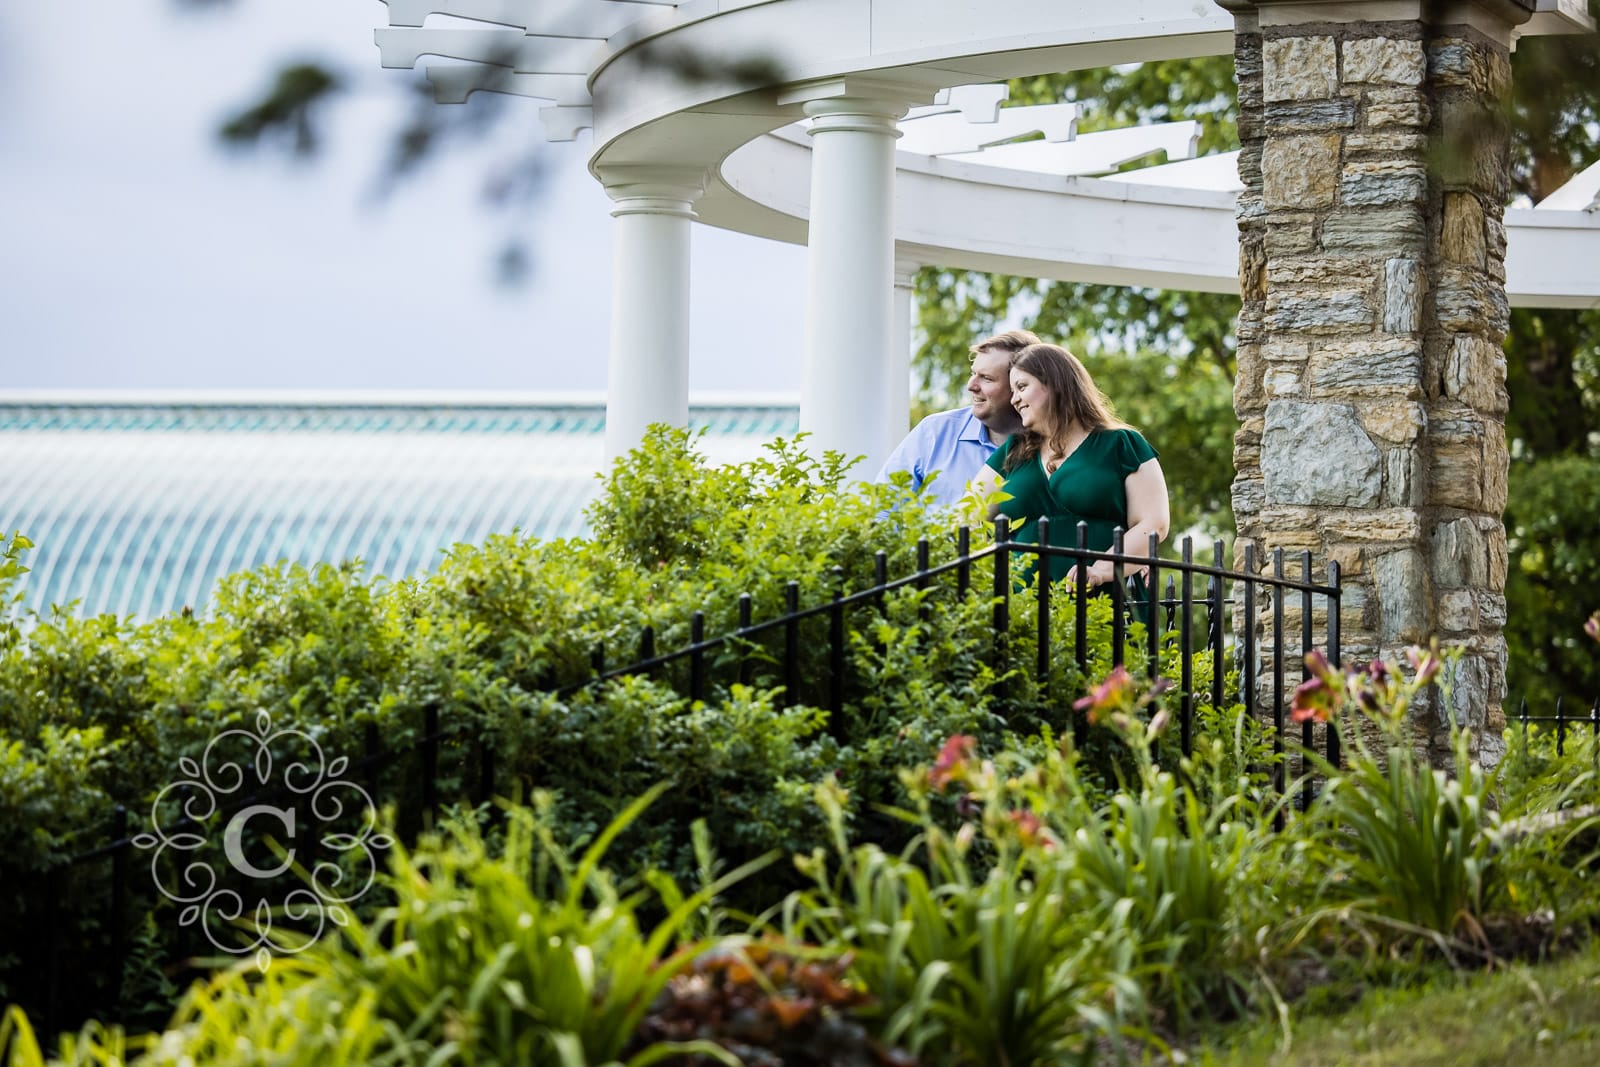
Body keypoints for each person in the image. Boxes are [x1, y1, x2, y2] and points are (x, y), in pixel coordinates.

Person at [970, 343, 1170, 601]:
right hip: (1023, 608)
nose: (1014, 399)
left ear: (1055, 384)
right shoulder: (1013, 451)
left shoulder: (1121, 444)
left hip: (1106, 600)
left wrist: (1101, 570)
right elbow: (966, 517)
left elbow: (1154, 524)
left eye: (1022, 387)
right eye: (1012, 391)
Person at [875, 329, 1040, 507]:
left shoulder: (1053, 443)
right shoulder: (935, 431)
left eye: (986, 378)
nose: (971, 386)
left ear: (1019, 387)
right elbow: (883, 507)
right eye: (973, 374)